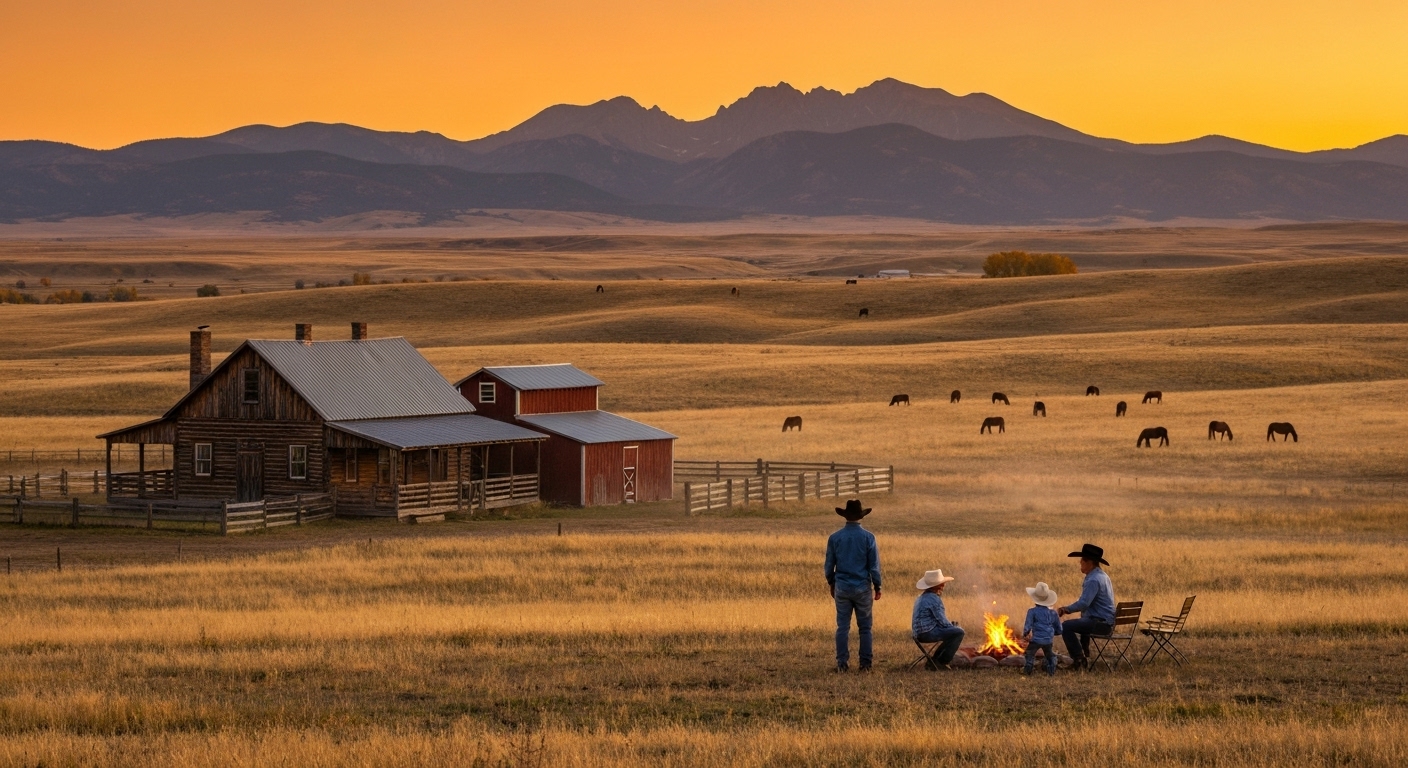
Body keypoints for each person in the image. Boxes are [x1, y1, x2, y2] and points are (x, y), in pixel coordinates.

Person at [825, 499, 882, 672]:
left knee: (842, 627)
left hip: (842, 585)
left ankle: (842, 663)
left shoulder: (835, 538)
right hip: (862, 587)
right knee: (865, 628)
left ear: (845, 516)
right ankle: (865, 664)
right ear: (861, 516)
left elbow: (829, 565)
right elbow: (874, 566)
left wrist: (831, 582)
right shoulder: (868, 537)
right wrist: (877, 586)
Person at [1057, 543, 1116, 671]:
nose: (1080, 563)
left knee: (1066, 626)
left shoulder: (1093, 580)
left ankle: (1079, 659)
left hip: (1101, 624)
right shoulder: (1102, 576)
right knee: (1084, 619)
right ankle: (1085, 655)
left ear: (1089, 562)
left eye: (1082, 560)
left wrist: (1065, 609)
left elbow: (1084, 603)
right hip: (1106, 621)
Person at [912, 569, 964, 669]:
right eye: (941, 583)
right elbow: (942, 621)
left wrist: (950, 628)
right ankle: (942, 662)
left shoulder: (921, 597)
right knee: (959, 632)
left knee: (953, 632)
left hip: (918, 633)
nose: (943, 585)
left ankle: (934, 661)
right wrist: (953, 627)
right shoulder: (934, 599)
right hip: (927, 633)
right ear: (935, 586)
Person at [1022, 581, 1063, 676]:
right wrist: (1052, 633)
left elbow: (1027, 626)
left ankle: (1028, 670)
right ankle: (1051, 671)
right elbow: (1060, 629)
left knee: (1029, 654)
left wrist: (1025, 634)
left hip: (1036, 640)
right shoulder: (1053, 613)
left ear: (1035, 598)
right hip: (1048, 640)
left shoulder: (1032, 612)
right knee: (1049, 655)